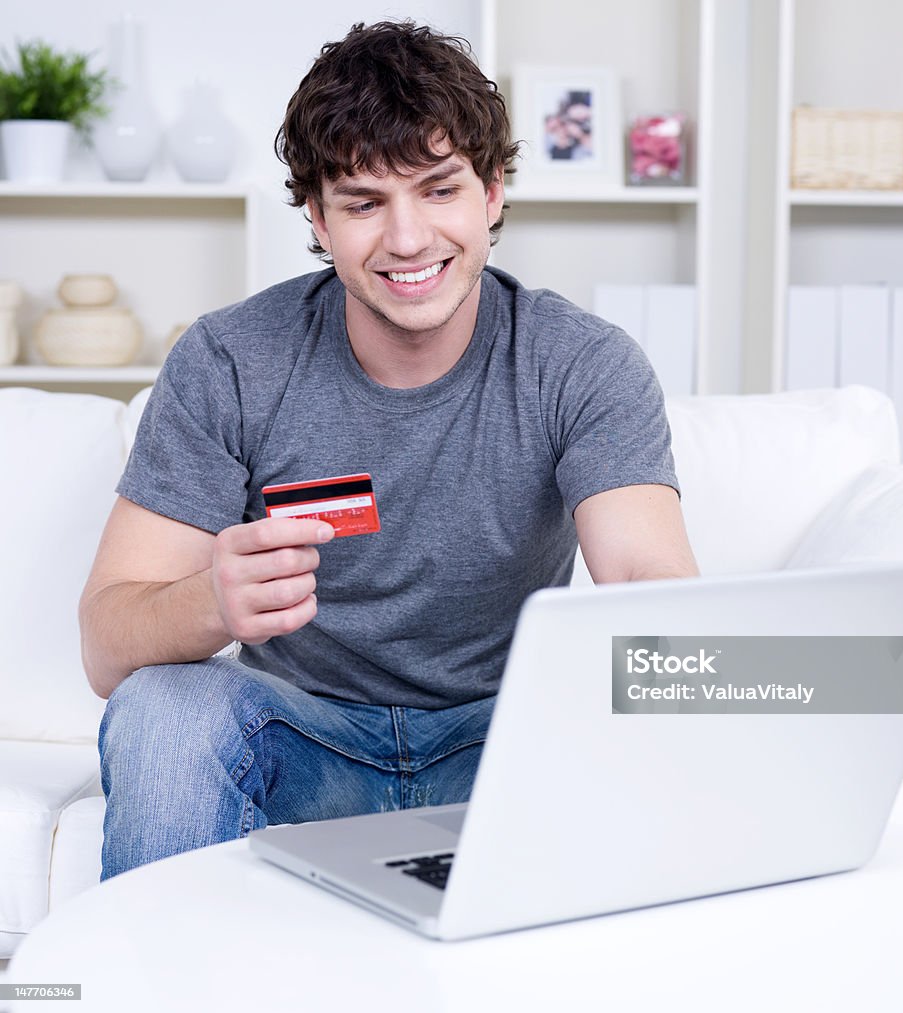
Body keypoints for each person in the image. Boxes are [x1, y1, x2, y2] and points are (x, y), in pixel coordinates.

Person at [80, 20, 699, 880]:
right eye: (365, 203)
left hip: (506, 745)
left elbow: (645, 578)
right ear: (319, 219)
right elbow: (107, 645)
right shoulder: (231, 359)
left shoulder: (581, 362)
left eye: (439, 191)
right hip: (306, 741)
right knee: (161, 707)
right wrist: (210, 601)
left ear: (491, 194)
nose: (407, 240)